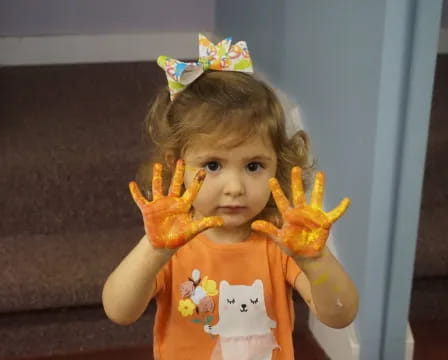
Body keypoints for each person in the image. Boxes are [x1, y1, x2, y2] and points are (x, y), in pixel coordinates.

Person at [102, 34, 358, 360]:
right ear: (176, 165)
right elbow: (119, 310)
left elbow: (340, 315)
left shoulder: (280, 240)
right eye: (213, 165)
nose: (235, 187)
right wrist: (153, 250)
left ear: (277, 164)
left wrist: (316, 260)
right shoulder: (170, 242)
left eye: (254, 166)